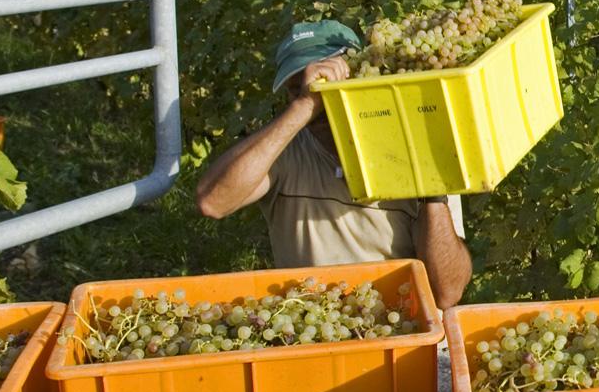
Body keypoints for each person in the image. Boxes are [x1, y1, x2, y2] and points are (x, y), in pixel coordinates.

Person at [195, 21, 472, 308]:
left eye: (330, 85)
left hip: (395, 336)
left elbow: (447, 293)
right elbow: (212, 202)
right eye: (299, 90)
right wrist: (304, 107)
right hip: (311, 333)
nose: (320, 100)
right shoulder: (285, 153)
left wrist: (432, 192)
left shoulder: (416, 154)